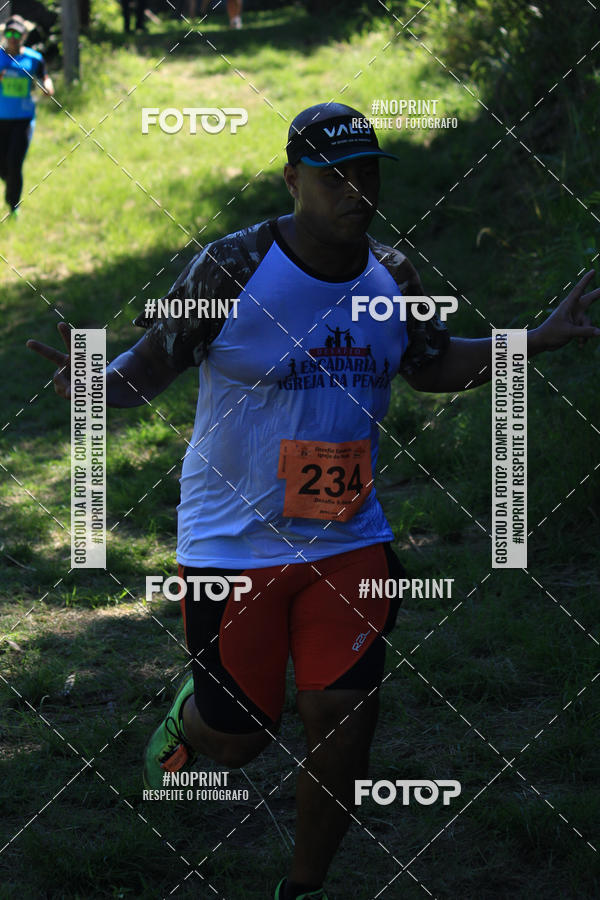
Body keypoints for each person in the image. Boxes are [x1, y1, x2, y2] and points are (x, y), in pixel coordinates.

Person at [27, 102, 600, 900]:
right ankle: (191, 720)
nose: (355, 189)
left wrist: (532, 340)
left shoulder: (393, 275)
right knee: (238, 738)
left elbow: (429, 364)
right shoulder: (229, 268)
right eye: (334, 175)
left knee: (343, 718)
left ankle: (304, 887)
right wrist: (95, 381)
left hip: (349, 537)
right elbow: (150, 365)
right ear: (292, 178)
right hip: (233, 544)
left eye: (366, 172)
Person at [0, 15, 53, 219]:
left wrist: (47, 86)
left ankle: (13, 206)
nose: (13, 38)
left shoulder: (33, 58)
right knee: (3, 166)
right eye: (9, 33)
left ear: (24, 36)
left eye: (18, 34)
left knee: (14, 162)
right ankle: (11, 182)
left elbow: (43, 76)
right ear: (5, 35)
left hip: (22, 119)